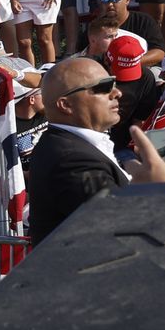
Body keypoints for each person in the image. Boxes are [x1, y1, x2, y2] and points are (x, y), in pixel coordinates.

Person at [27, 57, 128, 244]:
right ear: (66, 105)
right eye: (102, 87)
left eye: (113, 83)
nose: (117, 93)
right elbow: (123, 226)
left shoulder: (67, 146)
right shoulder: (72, 161)